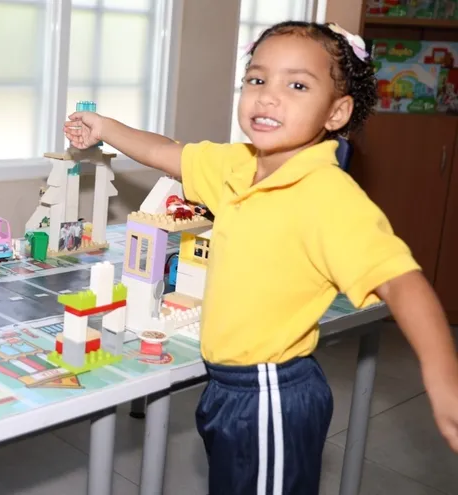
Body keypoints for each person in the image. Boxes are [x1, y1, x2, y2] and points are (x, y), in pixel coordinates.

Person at [65, 21, 458, 495]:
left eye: (296, 85)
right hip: (226, 387)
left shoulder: (328, 195)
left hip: (272, 392)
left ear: (337, 113)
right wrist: (104, 128)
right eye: (257, 79)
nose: (268, 96)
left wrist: (444, 378)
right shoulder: (237, 164)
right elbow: (165, 151)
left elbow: (402, 281)